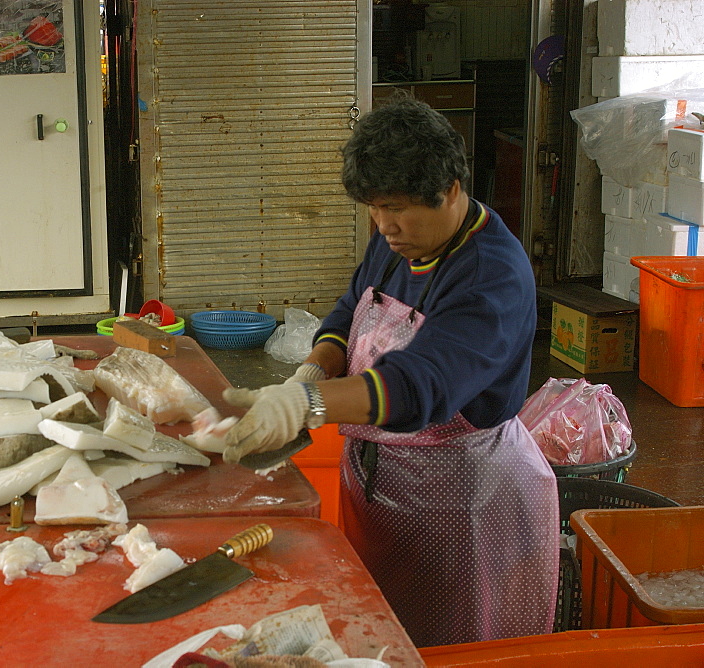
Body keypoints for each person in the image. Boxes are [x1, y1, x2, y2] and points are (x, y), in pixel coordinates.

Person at [222, 92, 559, 647]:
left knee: (450, 641)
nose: (384, 226)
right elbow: (350, 306)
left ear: (449, 190)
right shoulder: (397, 243)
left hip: (466, 502)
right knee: (388, 629)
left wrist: (311, 407)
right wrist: (308, 374)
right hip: (386, 482)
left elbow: (420, 385)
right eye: (374, 209)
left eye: (397, 207)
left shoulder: (490, 276)